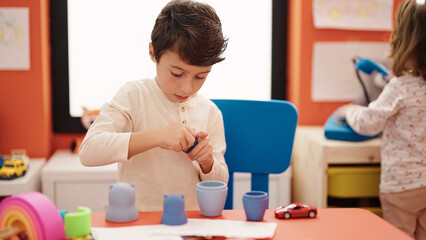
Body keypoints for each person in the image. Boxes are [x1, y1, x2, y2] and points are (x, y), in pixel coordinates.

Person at [79, 0, 229, 211]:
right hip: (138, 225)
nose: (187, 88)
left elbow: (221, 181)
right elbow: (89, 151)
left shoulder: (211, 112)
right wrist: (159, 137)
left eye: (200, 76)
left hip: (190, 225)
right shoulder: (134, 96)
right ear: (153, 52)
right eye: (177, 74)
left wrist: (208, 163)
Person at [337, 0, 426, 239]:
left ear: (402, 38)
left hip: (401, 189)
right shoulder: (402, 87)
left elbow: (369, 123)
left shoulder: (400, 87)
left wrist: (349, 112)